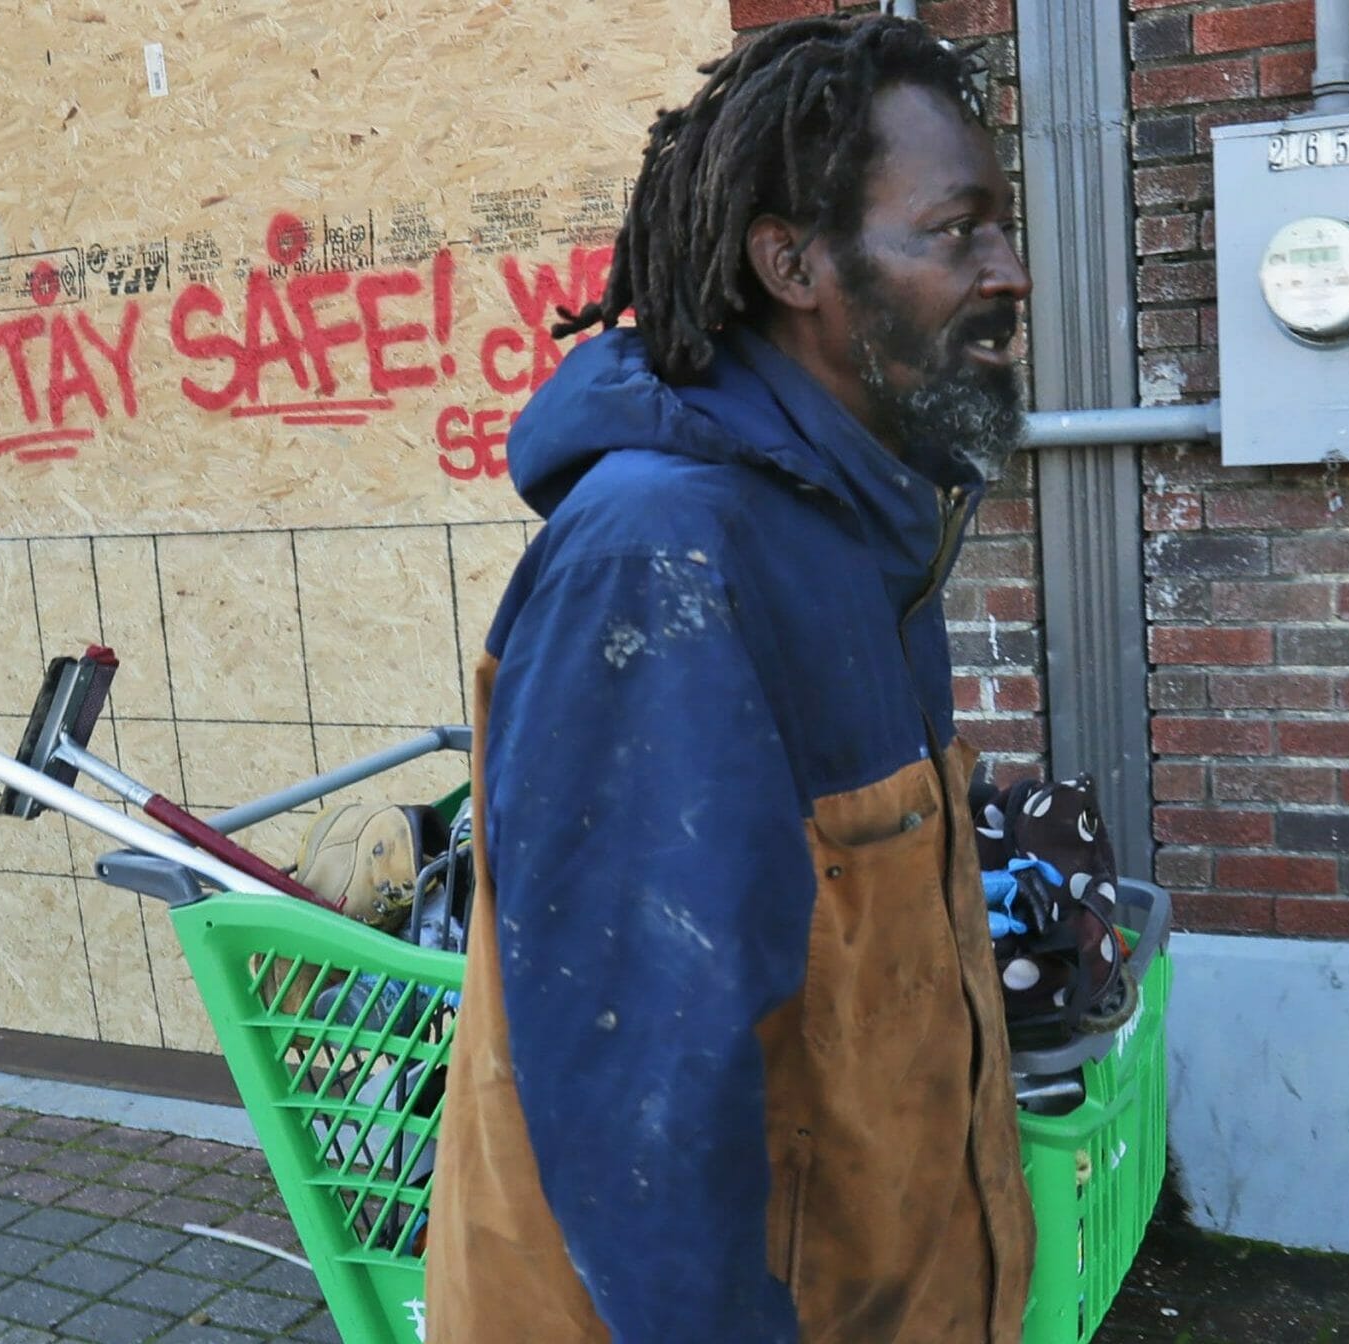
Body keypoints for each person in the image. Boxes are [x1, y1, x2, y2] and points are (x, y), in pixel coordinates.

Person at [424, 13, 1039, 1343]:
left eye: (1003, 228)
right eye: (957, 229)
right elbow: (649, 1106)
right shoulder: (667, 555)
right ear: (792, 262)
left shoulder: (863, 523)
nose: (1009, 271)